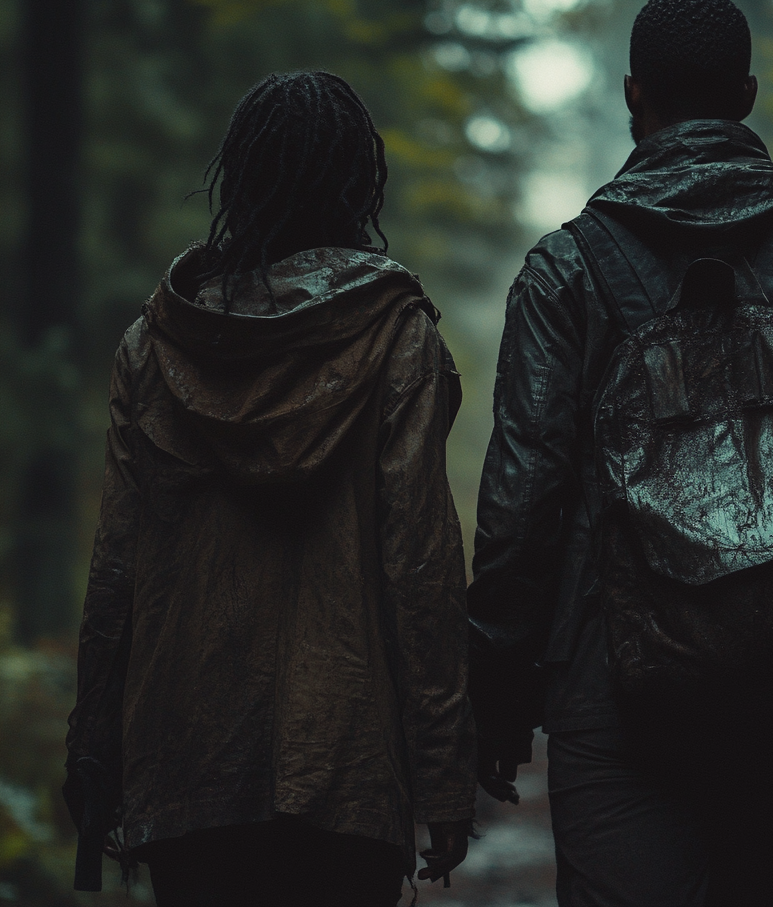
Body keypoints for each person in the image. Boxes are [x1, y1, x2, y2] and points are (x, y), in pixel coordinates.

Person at [467, 0, 773, 907]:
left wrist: (498, 689)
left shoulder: (568, 268)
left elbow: (523, 498)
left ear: (633, 95)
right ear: (749, 96)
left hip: (611, 683)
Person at [64, 71, 476, 907]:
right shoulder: (398, 342)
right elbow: (421, 574)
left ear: (239, 180)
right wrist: (444, 778)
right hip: (347, 772)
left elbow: (116, 574)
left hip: (186, 767)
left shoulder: (155, 347)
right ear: (360, 184)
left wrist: (94, 755)